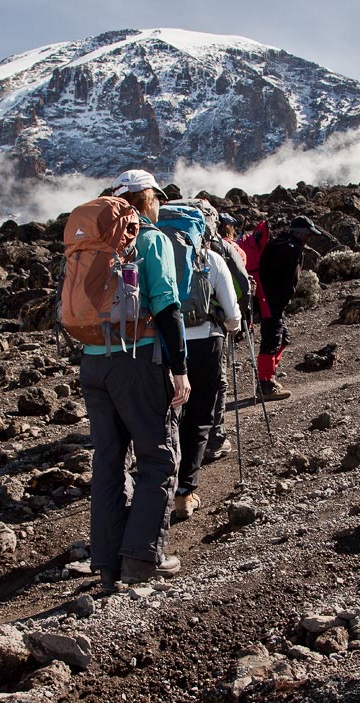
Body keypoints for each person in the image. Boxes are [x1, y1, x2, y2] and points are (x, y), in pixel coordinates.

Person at [81, 169, 190, 589]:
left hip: (93, 363)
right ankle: (144, 559)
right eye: (157, 198)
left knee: (108, 462)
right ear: (146, 199)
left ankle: (108, 566)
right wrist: (179, 369)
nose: (160, 204)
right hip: (137, 359)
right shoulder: (149, 238)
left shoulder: (92, 241)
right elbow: (166, 306)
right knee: (158, 457)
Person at [173, 240, 242, 521]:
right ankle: (184, 494)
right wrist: (229, 326)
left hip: (161, 345)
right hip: (205, 343)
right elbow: (232, 313)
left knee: (165, 416)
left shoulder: (149, 251)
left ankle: (156, 488)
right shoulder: (209, 258)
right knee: (200, 417)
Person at [255, 215, 321, 400]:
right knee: (272, 340)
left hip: (265, 299)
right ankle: (265, 385)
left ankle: (268, 379)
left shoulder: (278, 242)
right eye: (307, 234)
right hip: (272, 303)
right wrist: (281, 302)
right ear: (299, 233)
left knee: (282, 338)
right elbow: (288, 282)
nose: (308, 238)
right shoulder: (292, 250)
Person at [205, 213, 252, 463]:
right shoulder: (221, 249)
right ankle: (215, 439)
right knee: (216, 383)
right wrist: (236, 322)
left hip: (170, 328)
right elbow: (241, 286)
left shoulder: (165, 242)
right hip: (212, 329)